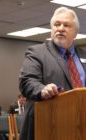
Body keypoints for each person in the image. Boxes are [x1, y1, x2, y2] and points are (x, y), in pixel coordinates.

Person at [19, 7, 86, 140]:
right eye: (57, 24)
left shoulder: (83, 55)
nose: (60, 28)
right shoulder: (37, 52)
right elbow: (27, 81)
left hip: (81, 126)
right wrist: (42, 89)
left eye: (66, 25)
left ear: (76, 32)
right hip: (48, 125)